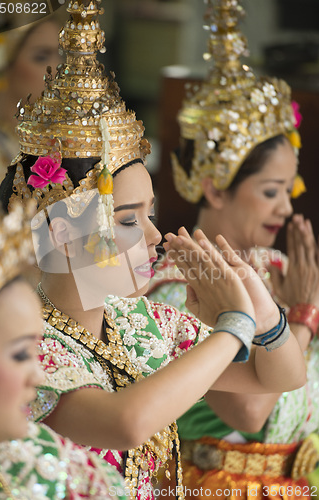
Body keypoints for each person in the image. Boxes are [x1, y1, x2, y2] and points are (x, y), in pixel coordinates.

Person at [0, 1, 306, 499]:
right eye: (126, 219)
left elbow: (283, 375)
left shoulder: (145, 323)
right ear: (59, 234)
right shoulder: (26, 344)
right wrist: (234, 327)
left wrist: (259, 306)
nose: (154, 237)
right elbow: (126, 422)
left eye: (152, 216)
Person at [148, 1, 319, 498]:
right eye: (270, 191)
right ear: (215, 187)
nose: (285, 210)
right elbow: (250, 410)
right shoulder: (177, 289)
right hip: (217, 486)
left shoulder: (285, 269)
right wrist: (302, 319)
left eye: (290, 190)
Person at [0, 196, 128, 499]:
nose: (38, 377)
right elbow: (126, 423)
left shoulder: (45, 460)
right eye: (21, 354)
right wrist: (235, 327)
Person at [0, 6, 62, 196]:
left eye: (61, 53)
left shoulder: (57, 141)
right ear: (4, 64)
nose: (58, 68)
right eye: (41, 56)